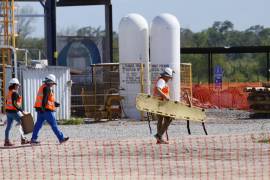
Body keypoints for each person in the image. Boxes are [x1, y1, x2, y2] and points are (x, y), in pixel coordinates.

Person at [31, 74, 69, 144]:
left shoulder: (43, 87)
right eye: (52, 83)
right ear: (50, 82)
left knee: (38, 125)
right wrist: (44, 107)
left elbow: (46, 99)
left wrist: (54, 103)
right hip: (47, 111)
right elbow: (45, 99)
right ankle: (61, 138)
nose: (53, 85)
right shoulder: (47, 88)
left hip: (40, 110)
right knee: (54, 125)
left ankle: (33, 139)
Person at [4, 78, 30, 146]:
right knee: (23, 122)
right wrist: (22, 111)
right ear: (15, 85)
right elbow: (15, 104)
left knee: (8, 127)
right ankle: (23, 139)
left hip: (8, 112)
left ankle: (6, 141)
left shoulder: (9, 92)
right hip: (13, 112)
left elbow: (7, 103)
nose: (18, 86)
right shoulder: (14, 93)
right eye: (18, 85)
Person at [153, 67, 174, 144]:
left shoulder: (162, 81)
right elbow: (158, 89)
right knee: (169, 118)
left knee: (160, 120)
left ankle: (159, 139)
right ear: (166, 76)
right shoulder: (161, 81)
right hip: (160, 103)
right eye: (169, 77)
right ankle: (159, 136)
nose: (169, 78)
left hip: (159, 103)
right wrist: (165, 96)